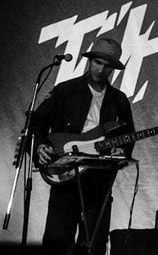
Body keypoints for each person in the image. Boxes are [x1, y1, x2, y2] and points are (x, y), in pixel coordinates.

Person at [33, 37, 134, 255]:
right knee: (57, 239)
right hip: (66, 174)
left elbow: (129, 136)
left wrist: (122, 152)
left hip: (98, 179)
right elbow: (37, 123)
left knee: (94, 244)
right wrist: (40, 146)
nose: (100, 69)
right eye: (97, 62)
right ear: (90, 61)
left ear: (113, 69)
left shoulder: (119, 100)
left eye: (107, 65)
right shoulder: (65, 90)